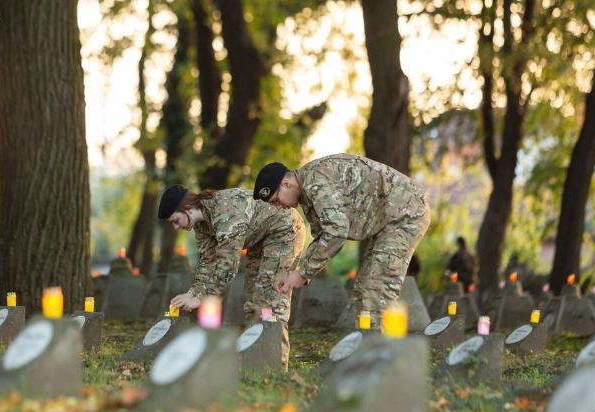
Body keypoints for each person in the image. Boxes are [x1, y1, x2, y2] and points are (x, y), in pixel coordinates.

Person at [252, 153, 430, 325]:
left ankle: (378, 351)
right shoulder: (307, 190)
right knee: (363, 288)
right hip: (389, 217)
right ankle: (369, 346)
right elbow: (324, 236)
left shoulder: (315, 181)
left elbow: (336, 231)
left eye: (275, 200)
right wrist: (298, 273)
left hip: (406, 211)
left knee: (377, 289)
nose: (279, 207)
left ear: (286, 184)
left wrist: (303, 272)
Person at [158, 185, 305, 368]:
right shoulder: (202, 225)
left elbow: (228, 265)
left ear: (186, 208)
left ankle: (276, 367)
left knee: (270, 300)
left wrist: (203, 297)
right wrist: (193, 293)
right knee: (252, 302)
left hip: (285, 232)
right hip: (261, 239)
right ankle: (256, 362)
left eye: (176, 220)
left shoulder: (225, 211)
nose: (176, 227)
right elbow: (207, 263)